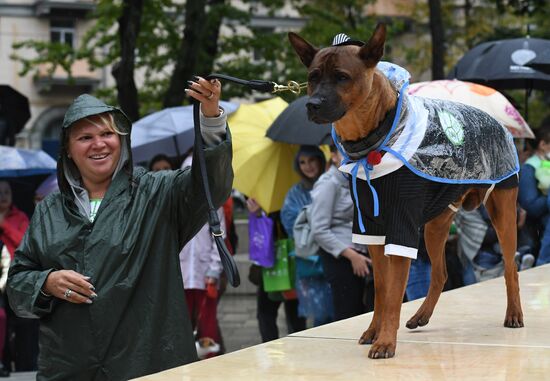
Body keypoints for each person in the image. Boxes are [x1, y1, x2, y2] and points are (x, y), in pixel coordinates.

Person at [6, 77, 233, 380]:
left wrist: (210, 118)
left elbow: (212, 188)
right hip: (69, 366)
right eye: (85, 137)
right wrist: (46, 282)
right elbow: (18, 281)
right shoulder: (50, 209)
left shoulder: (157, 193)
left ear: (122, 140)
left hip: (147, 362)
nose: (98, 143)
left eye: (107, 133)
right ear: (69, 151)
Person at [311, 146, 374, 321]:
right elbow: (319, 229)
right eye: (344, 152)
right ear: (333, 155)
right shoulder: (328, 183)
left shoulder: (354, 179)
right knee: (347, 314)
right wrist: (353, 256)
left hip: (360, 253)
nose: (351, 156)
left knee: (362, 314)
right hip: (340, 257)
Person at [280, 145, 333, 326]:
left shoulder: (331, 184)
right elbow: (291, 223)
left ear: (320, 160)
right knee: (319, 315)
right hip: (310, 262)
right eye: (302, 162)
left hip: (335, 255)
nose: (308, 166)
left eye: (311, 160)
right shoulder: (294, 194)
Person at [179, 153, 224, 359]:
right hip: (181, 274)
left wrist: (215, 268)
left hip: (205, 273)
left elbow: (219, 237)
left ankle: (209, 365)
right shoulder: (177, 203)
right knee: (181, 324)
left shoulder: (214, 203)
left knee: (207, 325)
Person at [247, 198, 306, 342]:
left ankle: (298, 351)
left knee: (294, 312)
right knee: (266, 312)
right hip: (270, 263)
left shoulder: (299, 193)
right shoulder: (261, 196)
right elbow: (258, 236)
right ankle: (269, 352)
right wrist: (258, 215)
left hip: (293, 261)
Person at [0, 180, 30, 377]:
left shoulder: (20, 217)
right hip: (1, 282)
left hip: (19, 280)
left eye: (6, 192)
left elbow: (24, 244)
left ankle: (24, 367)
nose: (3, 196)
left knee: (23, 329)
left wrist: (4, 225)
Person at [519, 116, 550, 266]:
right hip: (537, 231)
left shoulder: (545, 164)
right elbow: (532, 206)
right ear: (543, 144)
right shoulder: (528, 168)